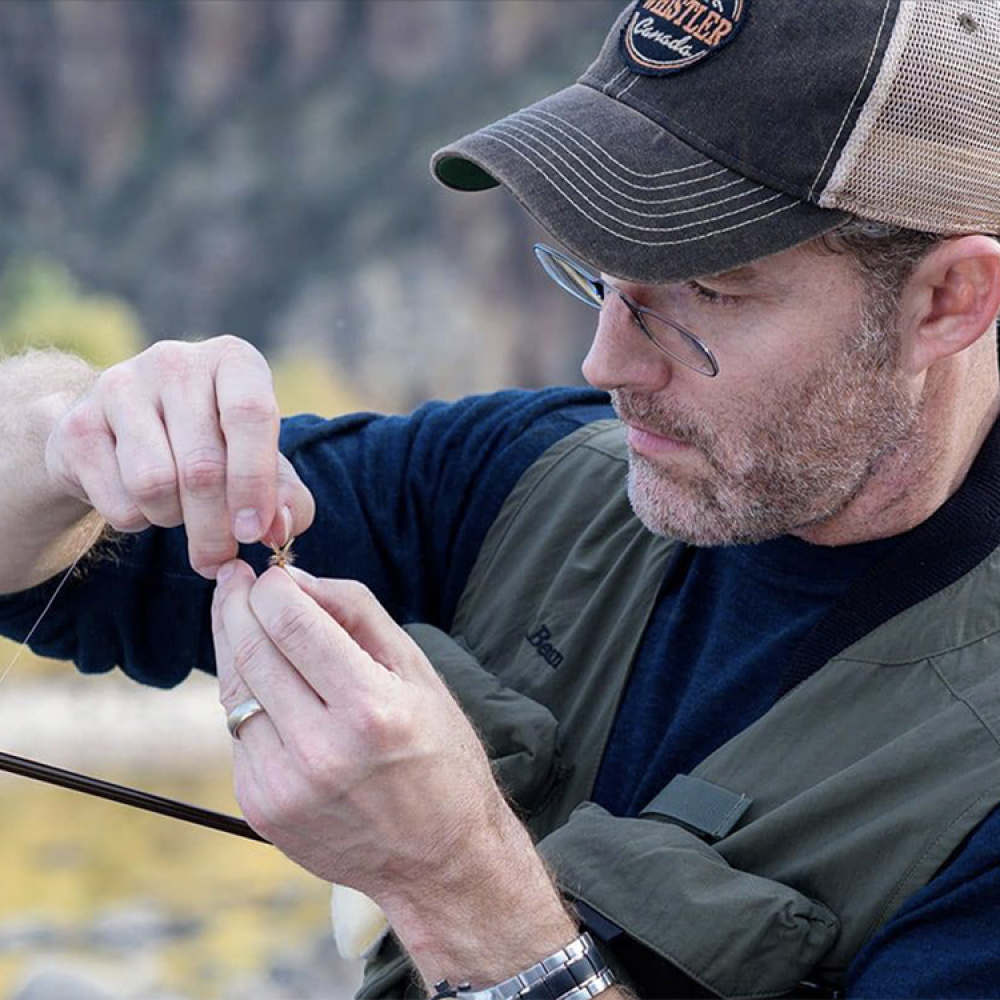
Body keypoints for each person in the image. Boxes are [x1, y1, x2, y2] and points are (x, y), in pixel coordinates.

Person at [1, 0, 999, 996]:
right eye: (598, 273)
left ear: (946, 300)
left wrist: (458, 890)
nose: (604, 359)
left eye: (707, 291)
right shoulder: (521, 480)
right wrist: (72, 430)